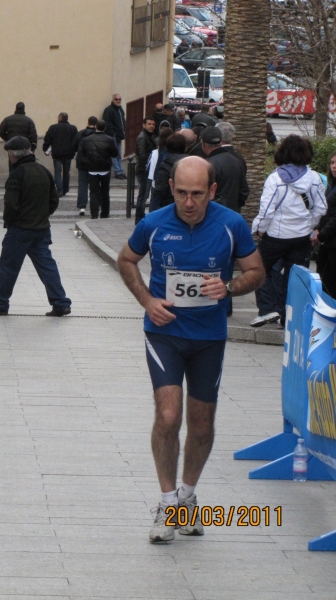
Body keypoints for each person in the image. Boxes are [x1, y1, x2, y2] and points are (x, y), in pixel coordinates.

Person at [116, 156, 265, 543]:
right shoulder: (154, 223)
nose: (188, 202)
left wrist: (229, 287)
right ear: (172, 189)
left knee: (201, 425)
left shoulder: (232, 225)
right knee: (168, 415)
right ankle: (167, 505)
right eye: (181, 193)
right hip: (164, 333)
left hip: (208, 338)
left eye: (197, 194)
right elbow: (126, 259)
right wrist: (147, 301)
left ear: (212, 191)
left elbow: (256, 272)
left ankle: (188, 496)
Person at [0, 136, 73, 317]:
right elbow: (53, 200)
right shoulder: (44, 171)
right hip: (42, 229)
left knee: (8, 266)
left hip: (20, 229)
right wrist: (43, 215)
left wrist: (10, 221)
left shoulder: (17, 174)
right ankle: (60, 302)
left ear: (13, 154)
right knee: (47, 266)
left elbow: (11, 205)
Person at [251, 135, 327, 327]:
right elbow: (320, 208)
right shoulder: (314, 177)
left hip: (275, 235)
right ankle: (289, 318)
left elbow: (267, 209)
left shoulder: (275, 178)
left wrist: (260, 229)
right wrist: (309, 227)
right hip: (301, 236)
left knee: (259, 269)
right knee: (294, 277)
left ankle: (268, 309)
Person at [201, 127, 249, 214]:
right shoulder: (236, 160)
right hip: (233, 213)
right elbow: (244, 191)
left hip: (214, 215)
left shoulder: (208, 165)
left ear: (203, 143)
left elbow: (203, 193)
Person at [76, 120, 118, 219]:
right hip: (105, 169)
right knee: (105, 192)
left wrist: (88, 162)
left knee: (93, 192)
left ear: (95, 127)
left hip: (92, 169)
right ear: (105, 128)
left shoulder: (86, 140)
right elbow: (115, 154)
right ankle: (105, 213)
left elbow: (81, 154)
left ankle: (94, 214)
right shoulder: (109, 139)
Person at [314, 151, 336, 296]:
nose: (334, 166)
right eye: (332, 163)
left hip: (332, 242)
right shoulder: (331, 186)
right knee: (325, 281)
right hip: (328, 243)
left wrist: (321, 235)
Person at [42, 113, 78, 197]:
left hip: (57, 153)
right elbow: (76, 140)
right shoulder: (73, 128)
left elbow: (47, 139)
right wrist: (75, 150)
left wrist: (45, 149)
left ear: (60, 118)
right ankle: (65, 188)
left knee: (57, 172)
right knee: (66, 172)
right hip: (69, 153)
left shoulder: (53, 127)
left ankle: (59, 189)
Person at [0, 102, 38, 171]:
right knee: (24, 164)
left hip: (12, 147)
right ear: (24, 109)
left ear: (16, 108)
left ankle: (13, 179)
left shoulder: (7, 119)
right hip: (24, 147)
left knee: (12, 165)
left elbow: (0, 131)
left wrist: (8, 140)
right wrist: (33, 147)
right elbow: (33, 135)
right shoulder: (29, 120)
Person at [153, 133, 188, 209]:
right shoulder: (192, 162)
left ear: (168, 148)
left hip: (170, 204)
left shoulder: (165, 164)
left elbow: (161, 188)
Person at [73, 116, 98, 217]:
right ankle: (96, 204)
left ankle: (82, 206)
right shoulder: (97, 134)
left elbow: (74, 145)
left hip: (82, 162)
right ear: (96, 124)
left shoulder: (80, 133)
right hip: (94, 163)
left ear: (88, 122)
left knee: (82, 184)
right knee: (95, 185)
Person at [135, 117, 158, 223]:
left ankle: (141, 216)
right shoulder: (143, 137)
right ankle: (139, 217)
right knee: (143, 195)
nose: (152, 126)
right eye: (149, 124)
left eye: (153, 124)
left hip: (148, 169)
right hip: (144, 170)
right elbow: (143, 155)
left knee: (145, 194)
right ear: (144, 125)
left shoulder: (151, 135)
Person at [102, 94, 126, 179]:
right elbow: (107, 123)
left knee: (119, 154)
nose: (118, 101)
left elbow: (123, 122)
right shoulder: (109, 110)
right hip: (113, 136)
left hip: (119, 135)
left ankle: (120, 171)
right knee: (114, 155)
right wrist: (112, 134)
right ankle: (117, 171)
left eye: (119, 99)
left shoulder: (120, 110)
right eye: (116, 99)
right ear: (113, 100)